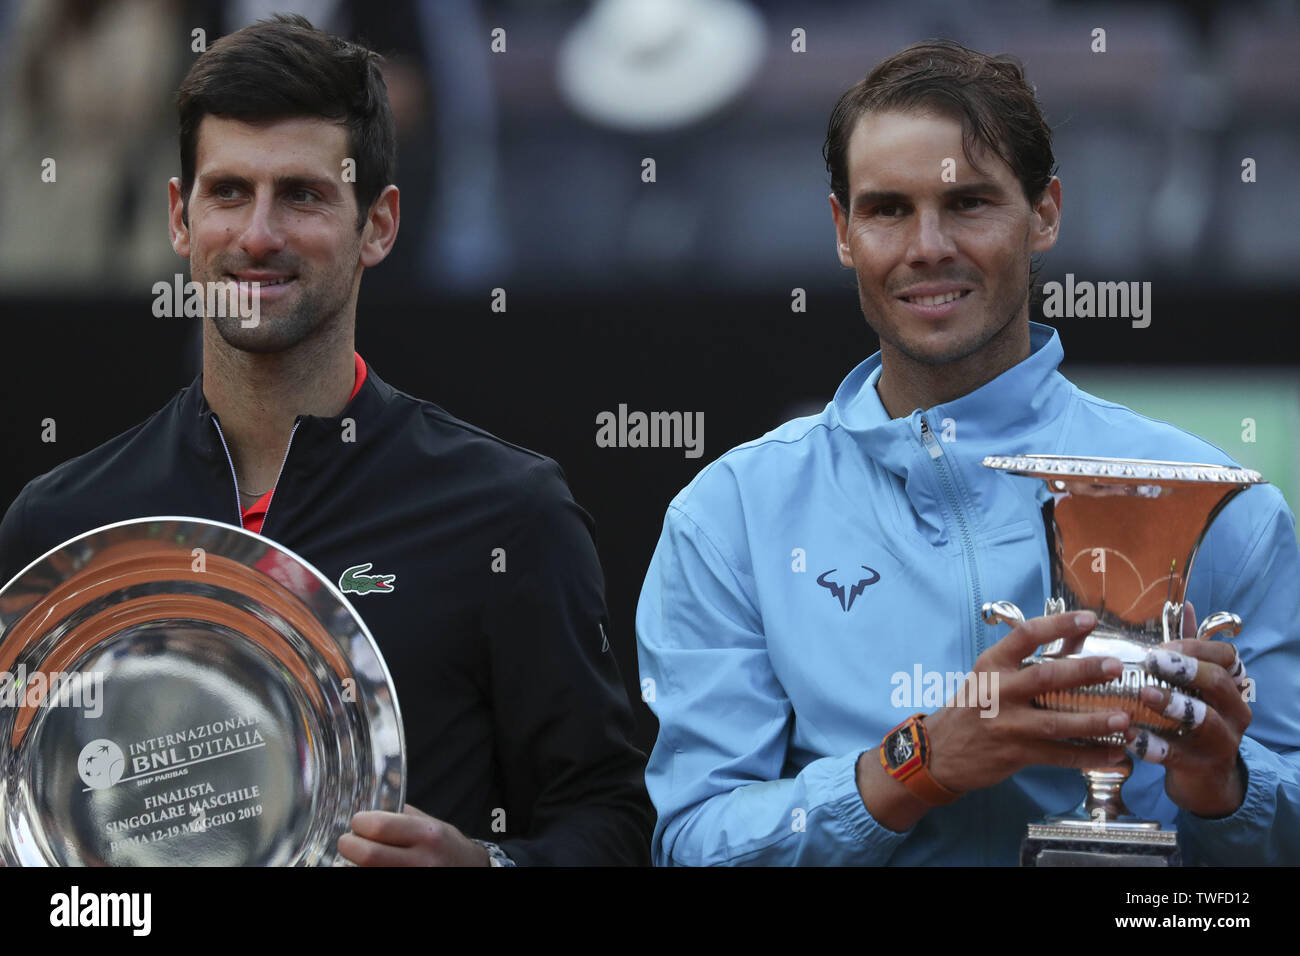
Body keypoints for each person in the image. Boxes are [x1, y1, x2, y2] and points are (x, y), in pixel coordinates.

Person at [0, 14, 653, 867]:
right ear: (178, 217)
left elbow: (612, 819)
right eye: (228, 192)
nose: (258, 235)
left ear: (377, 225)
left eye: (302, 195)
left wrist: (491, 867)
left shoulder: (506, 513)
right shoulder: (62, 526)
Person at [635, 39, 1300, 865]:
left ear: (1046, 214)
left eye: (969, 204)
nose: (927, 247)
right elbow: (692, 846)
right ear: (843, 233)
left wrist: (1225, 789)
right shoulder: (729, 517)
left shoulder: (1222, 505)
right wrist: (916, 766)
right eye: (886, 209)